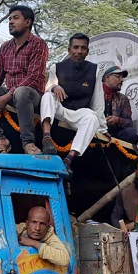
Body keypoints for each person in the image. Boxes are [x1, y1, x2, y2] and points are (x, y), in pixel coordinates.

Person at [0, 5, 49, 155]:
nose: (11, 22)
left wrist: (7, 96)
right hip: (10, 93)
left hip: (32, 95)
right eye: (9, 19)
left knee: (21, 92)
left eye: (15, 18)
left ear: (27, 22)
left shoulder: (38, 44)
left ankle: (28, 143)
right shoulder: (5, 47)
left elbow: (33, 77)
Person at [40, 33, 107, 173]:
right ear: (69, 50)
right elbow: (48, 88)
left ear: (87, 52)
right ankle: (46, 138)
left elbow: (98, 102)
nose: (79, 51)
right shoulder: (56, 67)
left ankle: (69, 159)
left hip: (79, 113)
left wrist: (103, 129)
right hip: (61, 109)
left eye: (83, 48)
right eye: (76, 47)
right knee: (47, 96)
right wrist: (54, 87)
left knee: (92, 117)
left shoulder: (95, 70)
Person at [102, 65, 138, 144]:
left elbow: (129, 122)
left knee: (130, 133)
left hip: (114, 134)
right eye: (118, 77)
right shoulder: (95, 93)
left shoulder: (123, 98)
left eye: (122, 77)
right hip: (95, 130)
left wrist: (118, 120)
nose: (121, 80)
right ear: (107, 77)